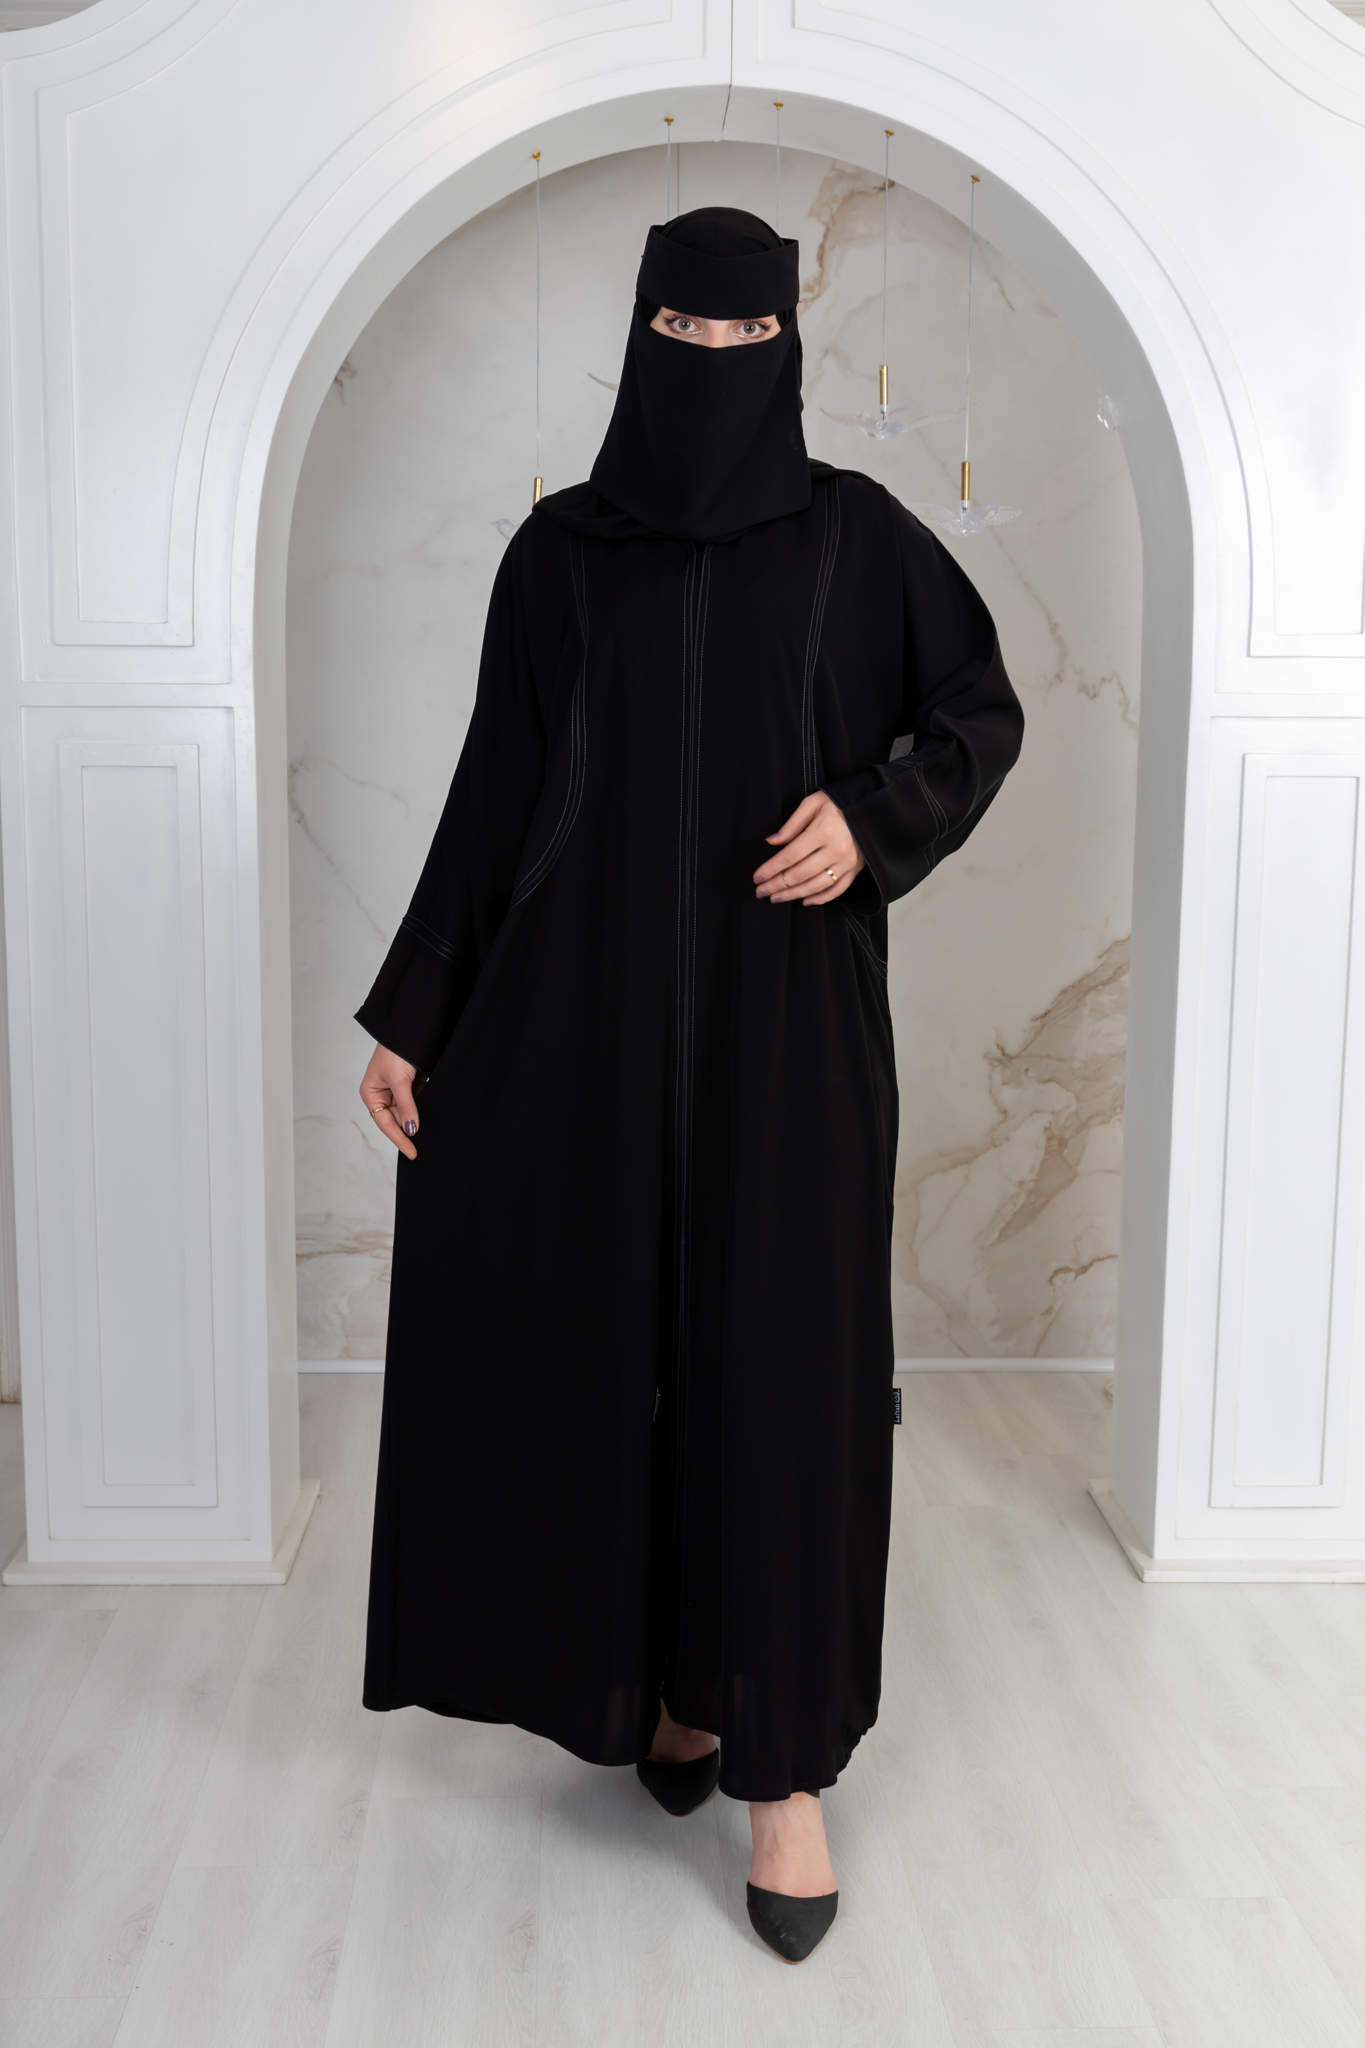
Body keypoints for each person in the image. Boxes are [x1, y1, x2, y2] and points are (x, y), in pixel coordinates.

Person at [353, 204, 1025, 1963]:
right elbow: (495, 791)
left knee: (777, 1372)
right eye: (681, 332)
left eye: (744, 338)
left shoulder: (857, 539)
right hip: (571, 1026)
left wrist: (869, 821)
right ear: (637, 334)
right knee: (601, 1347)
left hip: (786, 1034)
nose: (711, 364)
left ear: (785, 348)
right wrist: (417, 1011)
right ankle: (662, 1689)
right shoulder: (558, 555)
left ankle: (780, 1772)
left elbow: (976, 714)